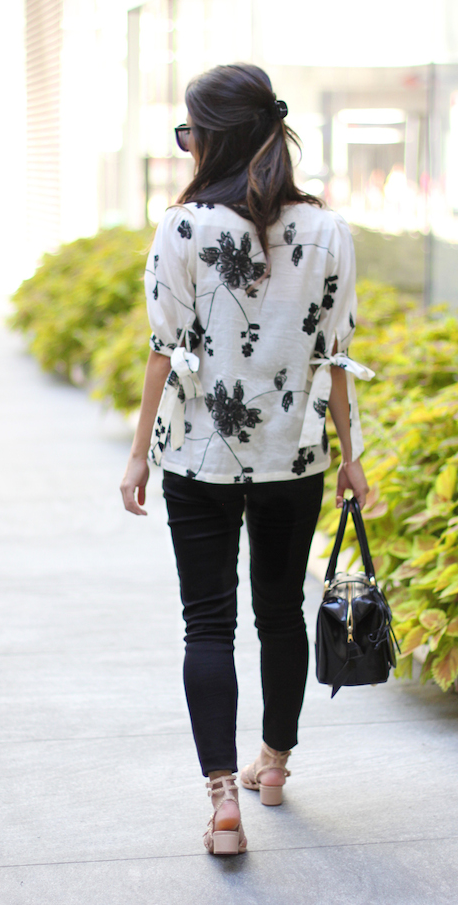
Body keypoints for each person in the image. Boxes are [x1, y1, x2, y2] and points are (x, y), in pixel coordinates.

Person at [121, 63, 371, 856]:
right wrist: (353, 460)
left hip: (197, 455)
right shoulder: (329, 230)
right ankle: (275, 764)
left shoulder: (184, 227)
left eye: (187, 132)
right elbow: (336, 359)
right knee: (278, 616)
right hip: (291, 457)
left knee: (208, 624)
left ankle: (223, 803)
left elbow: (164, 353)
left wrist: (136, 458)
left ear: (211, 139)